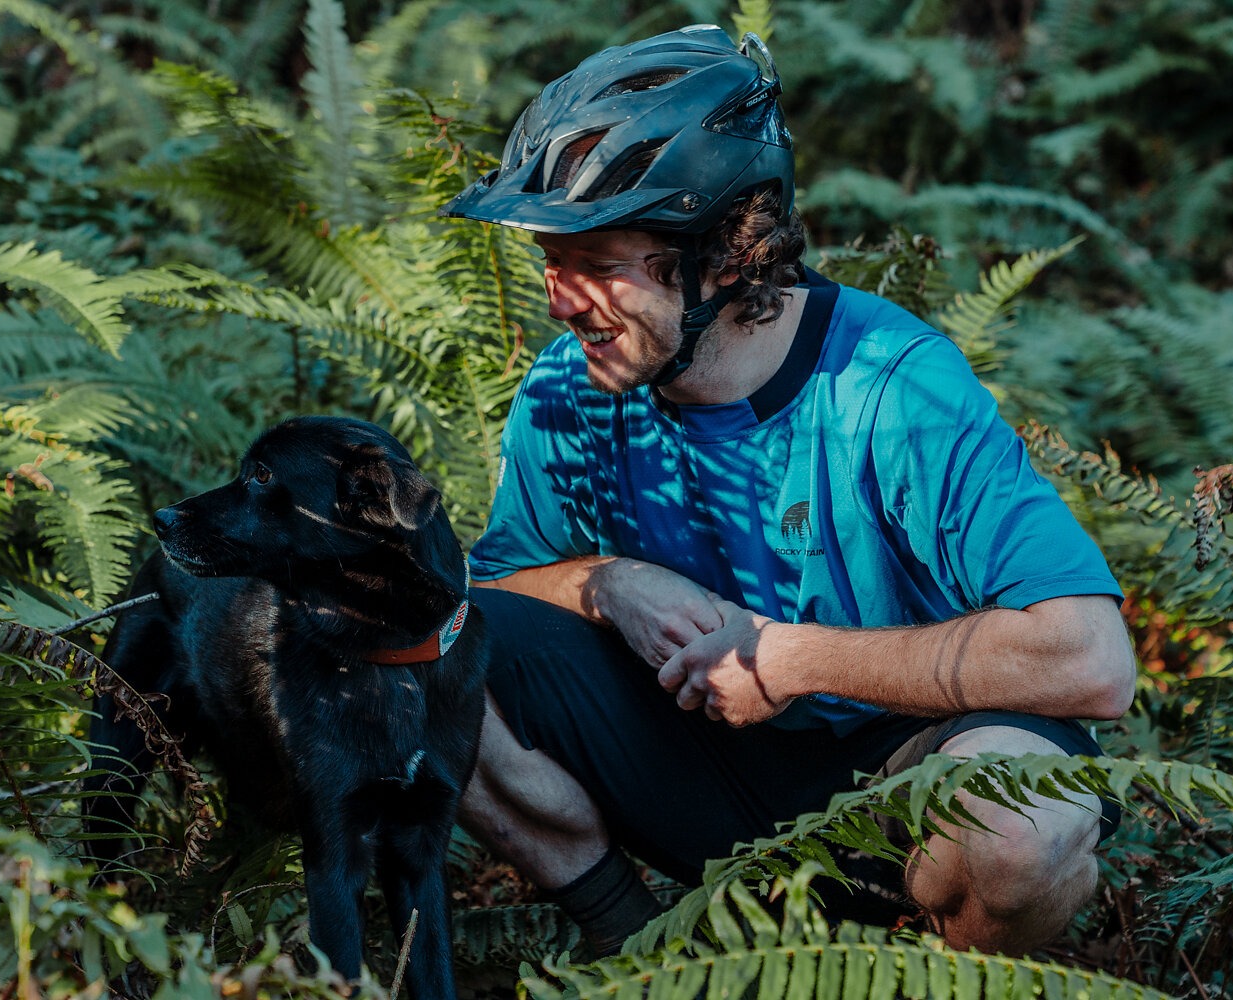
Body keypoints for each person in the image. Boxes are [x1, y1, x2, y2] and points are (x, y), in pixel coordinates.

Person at [440, 23, 1136, 957]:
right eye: (551, 267)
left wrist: (789, 659)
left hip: (907, 774)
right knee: (423, 639)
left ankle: (942, 979)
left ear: (726, 254)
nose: (562, 305)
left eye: (599, 267)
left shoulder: (893, 387)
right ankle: (639, 954)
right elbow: (484, 590)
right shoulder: (569, 389)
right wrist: (603, 582)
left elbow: (1091, 660)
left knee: (1024, 832)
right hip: (701, 767)